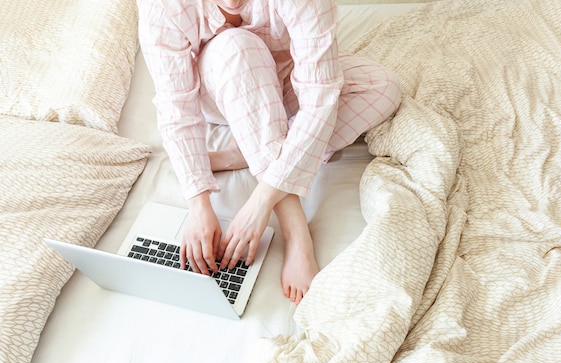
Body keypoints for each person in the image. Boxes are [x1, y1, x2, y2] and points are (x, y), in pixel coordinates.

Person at [138, 0, 401, 304]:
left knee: (383, 87)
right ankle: (296, 231)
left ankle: (242, 153)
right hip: (220, 83)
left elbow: (320, 94)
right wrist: (198, 204)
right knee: (238, 45)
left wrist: (261, 201)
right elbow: (176, 108)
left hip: (282, 71)